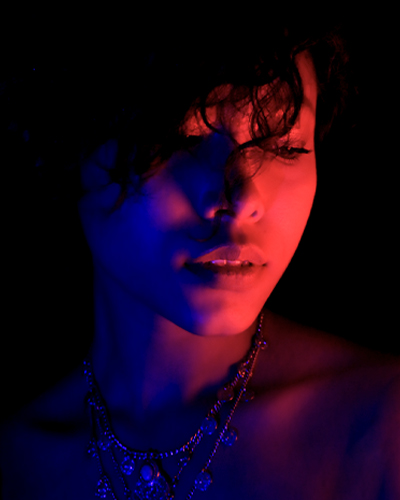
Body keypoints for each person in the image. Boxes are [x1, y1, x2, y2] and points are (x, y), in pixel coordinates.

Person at [1, 14, 399, 500]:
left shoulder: (383, 427)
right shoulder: (18, 464)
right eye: (181, 138)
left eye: (287, 146)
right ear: (67, 143)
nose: (245, 194)